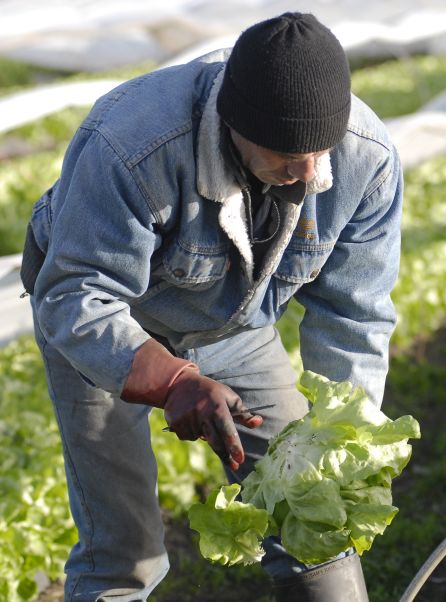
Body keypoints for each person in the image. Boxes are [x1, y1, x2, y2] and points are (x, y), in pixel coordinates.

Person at [20, 12, 402, 602]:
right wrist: (172, 380)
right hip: (106, 323)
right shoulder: (133, 146)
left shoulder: (364, 160)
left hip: (233, 322)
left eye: (320, 150)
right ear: (234, 125)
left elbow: (355, 313)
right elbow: (76, 294)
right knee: (125, 549)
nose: (309, 176)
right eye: (285, 153)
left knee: (313, 509)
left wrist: (343, 446)